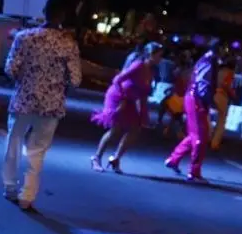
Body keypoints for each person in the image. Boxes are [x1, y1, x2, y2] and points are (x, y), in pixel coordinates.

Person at [2, 0, 82, 211]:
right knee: (37, 150)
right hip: (51, 105)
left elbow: (10, 69)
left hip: (23, 100)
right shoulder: (68, 44)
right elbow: (76, 80)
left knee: (14, 142)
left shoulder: (24, 37)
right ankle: (27, 196)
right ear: (62, 16)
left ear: (44, 12)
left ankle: (10, 187)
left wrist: (26, 79)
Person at [91, 41, 162, 173]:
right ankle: (96, 158)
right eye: (158, 55)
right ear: (150, 55)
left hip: (130, 99)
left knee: (135, 129)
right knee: (116, 129)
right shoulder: (139, 65)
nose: (160, 58)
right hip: (118, 96)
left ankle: (116, 158)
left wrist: (144, 115)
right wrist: (122, 99)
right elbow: (117, 80)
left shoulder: (151, 71)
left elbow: (143, 95)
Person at [165, 45, 220, 181]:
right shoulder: (209, 61)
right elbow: (204, 83)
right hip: (197, 100)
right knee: (200, 137)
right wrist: (209, 102)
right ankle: (194, 171)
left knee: (194, 134)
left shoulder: (205, 60)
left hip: (193, 98)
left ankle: (174, 159)